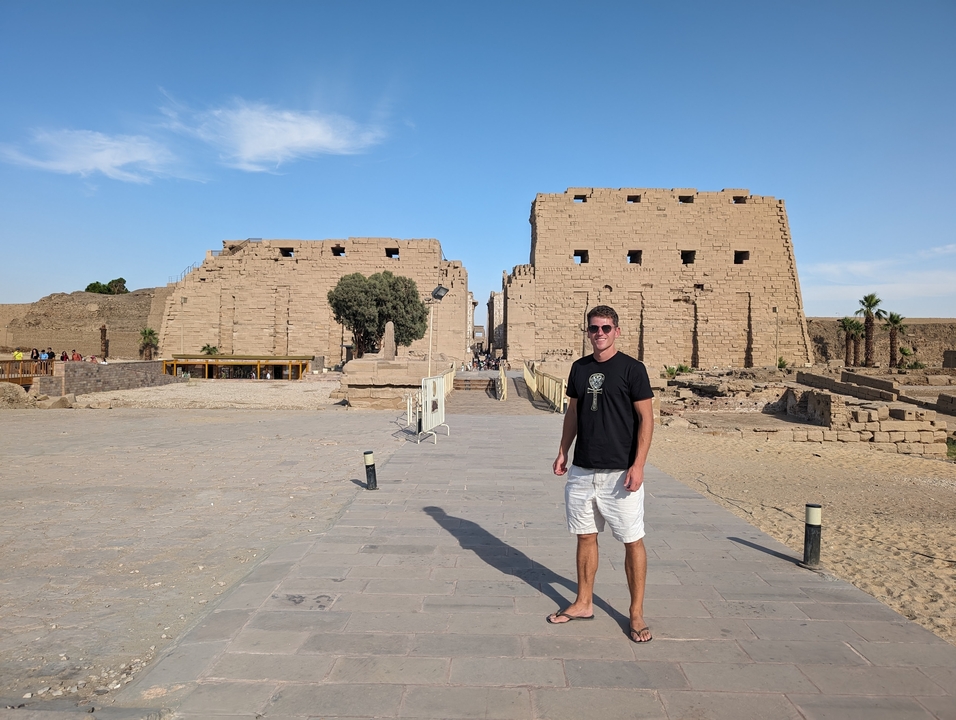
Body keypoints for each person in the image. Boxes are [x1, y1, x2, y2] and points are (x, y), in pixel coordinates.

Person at [550, 304, 655, 644]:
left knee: (631, 540)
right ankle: (583, 602)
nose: (599, 334)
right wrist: (564, 449)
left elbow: (646, 420)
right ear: (588, 331)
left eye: (606, 328)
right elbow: (574, 412)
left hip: (620, 473)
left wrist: (638, 465)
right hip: (583, 470)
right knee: (585, 536)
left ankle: (635, 612)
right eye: (594, 328)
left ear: (617, 331)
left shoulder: (632, 370)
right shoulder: (579, 368)